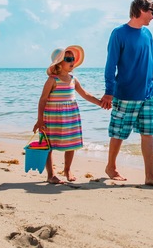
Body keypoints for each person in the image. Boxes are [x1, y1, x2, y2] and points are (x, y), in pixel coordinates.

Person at [98, 0, 153, 188]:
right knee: (118, 133)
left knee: (148, 133)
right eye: (152, 12)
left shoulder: (148, 35)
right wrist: (109, 91)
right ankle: (111, 166)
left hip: (148, 94)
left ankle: (150, 175)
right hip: (125, 93)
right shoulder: (118, 33)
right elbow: (110, 66)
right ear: (142, 10)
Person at [33, 45, 102, 184]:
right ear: (59, 63)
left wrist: (100, 103)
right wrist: (40, 120)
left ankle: (67, 169)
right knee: (49, 145)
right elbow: (43, 100)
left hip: (70, 117)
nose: (72, 62)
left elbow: (85, 94)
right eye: (68, 59)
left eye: (73, 59)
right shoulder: (52, 80)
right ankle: (51, 175)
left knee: (71, 143)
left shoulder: (73, 79)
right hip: (52, 118)